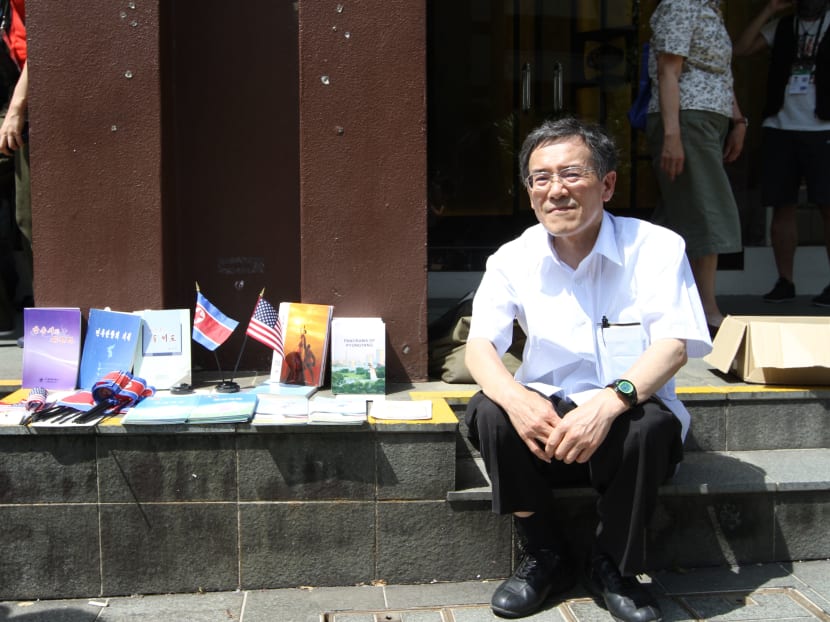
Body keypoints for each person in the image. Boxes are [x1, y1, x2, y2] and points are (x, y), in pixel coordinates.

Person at [464, 117, 710, 620]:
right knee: (490, 411)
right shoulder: (511, 258)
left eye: (571, 174)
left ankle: (611, 564)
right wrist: (517, 400)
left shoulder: (656, 247)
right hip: (547, 431)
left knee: (650, 427)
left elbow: (673, 346)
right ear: (530, 192)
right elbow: (479, 347)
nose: (555, 190)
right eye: (541, 178)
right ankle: (545, 555)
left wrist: (608, 403)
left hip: (624, 417)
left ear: (608, 184)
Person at [645, 0, 747, 335]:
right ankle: (707, 310)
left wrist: (738, 120)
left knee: (679, 214)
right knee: (706, 210)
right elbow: (668, 71)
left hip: (708, 120)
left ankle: (659, 302)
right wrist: (672, 136)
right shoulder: (682, 4)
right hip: (686, 120)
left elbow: (722, 75)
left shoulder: (712, 9)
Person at [733, 0, 830, 307]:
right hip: (780, 125)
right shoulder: (783, 26)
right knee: (781, 205)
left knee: (828, 206)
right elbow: (741, 49)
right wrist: (769, 10)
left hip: (824, 127)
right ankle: (784, 281)